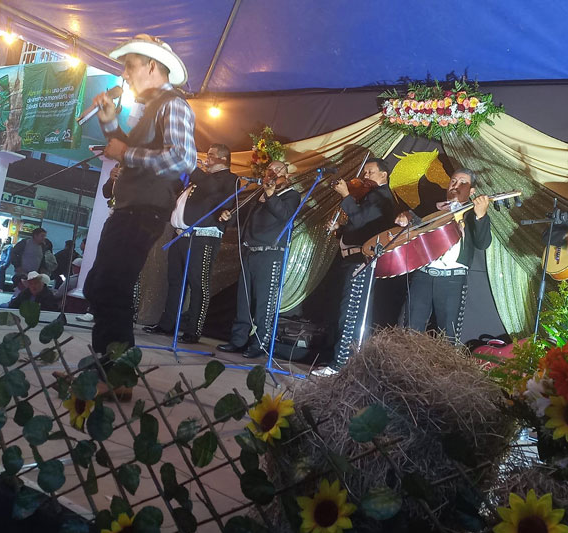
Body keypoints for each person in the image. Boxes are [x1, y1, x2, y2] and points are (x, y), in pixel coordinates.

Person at [82, 33, 196, 377]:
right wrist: (109, 122)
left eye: (130, 66)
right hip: (132, 208)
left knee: (111, 285)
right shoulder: (152, 109)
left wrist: (127, 153)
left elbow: (183, 159)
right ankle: (110, 365)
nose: (125, 74)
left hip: (143, 211)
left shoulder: (173, 105)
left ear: (151, 66)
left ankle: (117, 372)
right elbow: (129, 152)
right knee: (100, 284)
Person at [144, 144, 236, 344]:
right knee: (175, 281)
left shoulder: (228, 179)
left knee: (198, 283)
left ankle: (193, 330)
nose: (207, 158)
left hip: (202, 237)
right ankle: (168, 324)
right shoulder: (201, 178)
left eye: (211, 155)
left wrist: (191, 167)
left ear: (223, 159)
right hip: (180, 235)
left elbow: (215, 191)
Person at [316, 158, 398, 376]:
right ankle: (344, 363)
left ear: (384, 175)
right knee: (347, 311)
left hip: (362, 262)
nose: (365, 176)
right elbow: (362, 228)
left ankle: (342, 365)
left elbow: (361, 219)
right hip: (351, 259)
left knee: (351, 313)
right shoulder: (370, 195)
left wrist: (346, 195)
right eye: (365, 172)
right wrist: (340, 228)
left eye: (370, 172)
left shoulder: (382, 196)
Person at [216, 160, 300, 359]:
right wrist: (229, 216)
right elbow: (244, 217)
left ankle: (260, 343)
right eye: (269, 169)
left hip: (270, 253)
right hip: (250, 250)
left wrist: (270, 194)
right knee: (243, 299)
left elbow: (284, 215)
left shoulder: (291, 195)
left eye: (277, 170)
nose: (272, 172)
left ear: (287, 176)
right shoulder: (258, 194)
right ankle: (238, 340)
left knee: (264, 302)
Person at [398, 169, 493, 343]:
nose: (456, 185)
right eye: (453, 181)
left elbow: (482, 243)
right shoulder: (431, 207)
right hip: (424, 274)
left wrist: (481, 216)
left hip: (452, 279)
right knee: (409, 330)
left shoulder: (473, 212)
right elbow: (413, 221)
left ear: (472, 191)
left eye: (463, 183)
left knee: (448, 335)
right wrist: (405, 217)